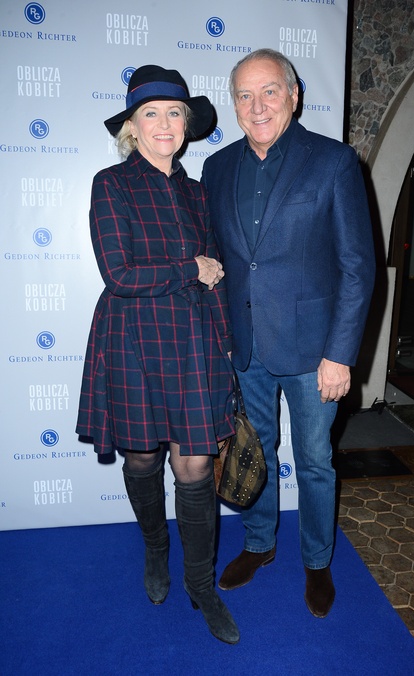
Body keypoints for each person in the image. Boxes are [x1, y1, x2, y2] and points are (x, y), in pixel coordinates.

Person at [201, 48, 375, 618]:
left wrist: (340, 355)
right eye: (245, 95)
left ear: (294, 96)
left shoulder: (334, 162)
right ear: (234, 104)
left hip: (314, 352)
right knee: (254, 451)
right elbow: (224, 259)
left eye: (269, 91)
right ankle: (259, 543)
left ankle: (317, 560)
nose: (258, 106)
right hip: (245, 346)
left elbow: (357, 267)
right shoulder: (216, 168)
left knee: (315, 461)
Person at [76, 65, 239, 644]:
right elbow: (120, 275)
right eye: (151, 113)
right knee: (143, 458)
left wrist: (226, 345)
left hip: (193, 341)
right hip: (134, 339)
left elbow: (217, 277)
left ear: (187, 125)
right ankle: (154, 548)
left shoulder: (197, 193)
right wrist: (189, 268)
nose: (164, 123)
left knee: (194, 466)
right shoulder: (110, 184)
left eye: (174, 113)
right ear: (132, 126)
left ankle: (201, 584)